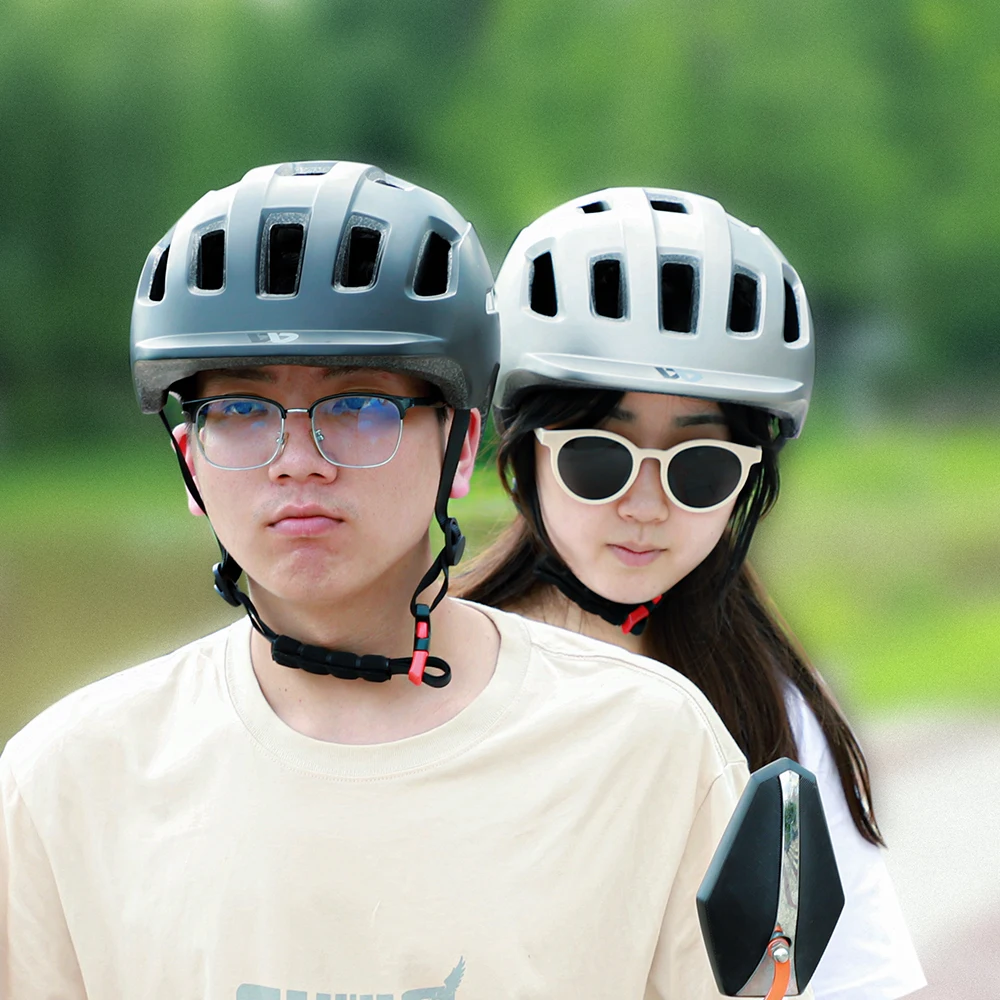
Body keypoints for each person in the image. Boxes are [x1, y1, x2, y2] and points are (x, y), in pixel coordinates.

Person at [0, 163, 751, 998]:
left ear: (461, 448)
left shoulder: (650, 746)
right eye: (240, 411)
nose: (298, 461)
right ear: (191, 461)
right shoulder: (65, 783)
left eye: (359, 405)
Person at [458, 187, 926, 999]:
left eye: (700, 468)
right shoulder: (426, 677)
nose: (646, 505)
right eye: (599, 457)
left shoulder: (774, 710)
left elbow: (853, 980)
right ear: (525, 453)